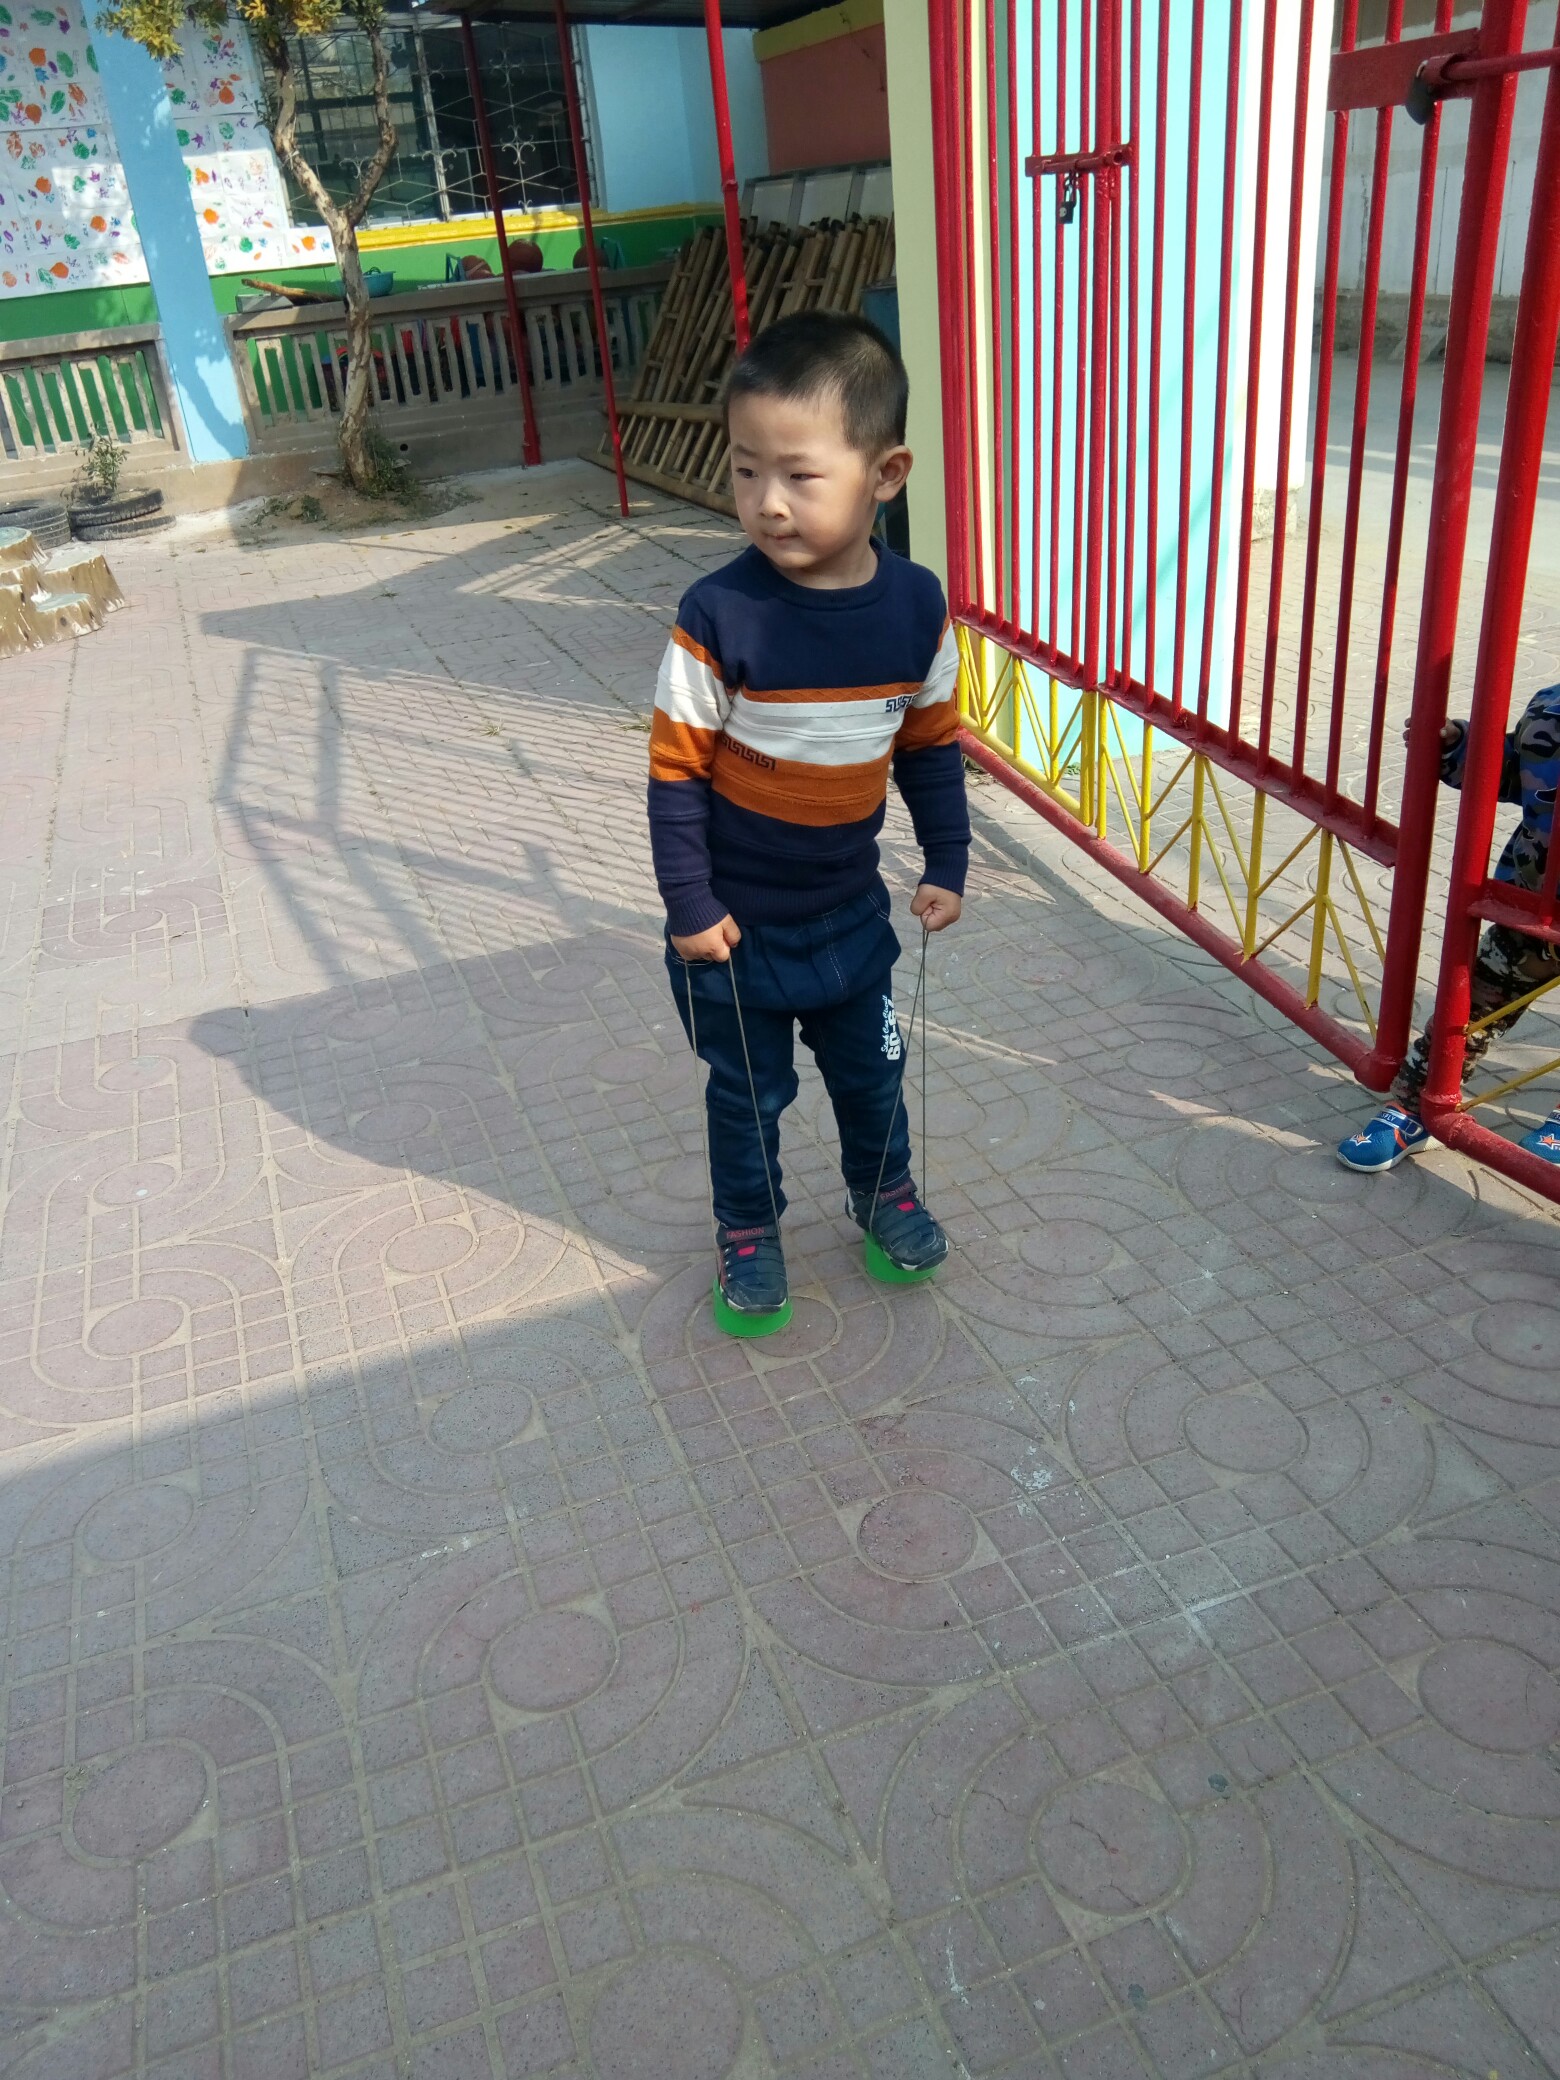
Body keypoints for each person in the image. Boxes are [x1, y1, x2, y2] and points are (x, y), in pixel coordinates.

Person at [647, 310, 969, 1315]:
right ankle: (748, 1230)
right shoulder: (717, 614)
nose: (767, 502)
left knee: (873, 1075)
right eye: (747, 471)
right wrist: (690, 905)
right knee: (749, 1097)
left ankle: (885, 1193)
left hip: (850, 918)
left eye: (798, 474)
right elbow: (675, 773)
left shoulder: (916, 607)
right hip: (733, 932)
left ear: (886, 473)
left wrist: (947, 861)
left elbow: (929, 747)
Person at [1338, 683, 1560, 1172]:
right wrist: (1460, 745)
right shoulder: (1552, 704)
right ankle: (1419, 1103)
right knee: (1470, 1009)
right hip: (1532, 904)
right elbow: (1514, 771)